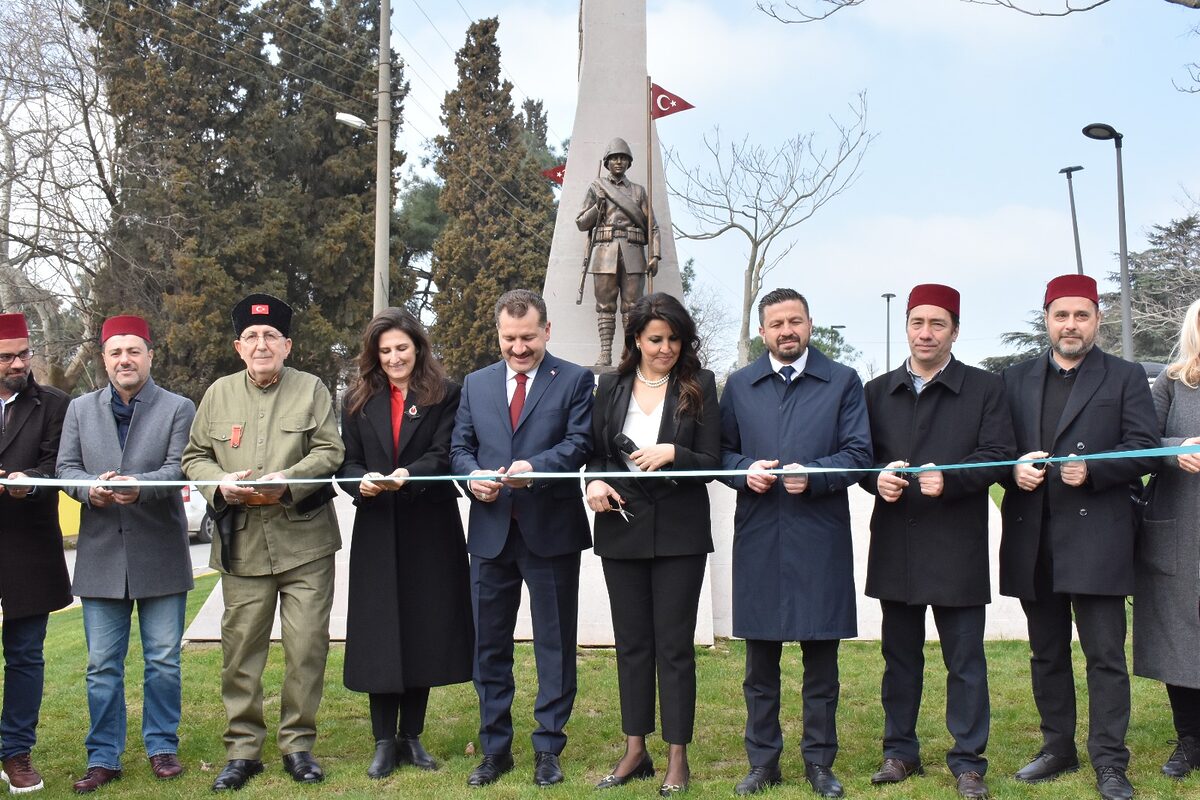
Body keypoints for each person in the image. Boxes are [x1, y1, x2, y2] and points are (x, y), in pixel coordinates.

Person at [1000, 273, 1159, 800]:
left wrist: (1093, 469)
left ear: (1098, 319)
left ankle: (1110, 761)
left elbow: (1144, 448)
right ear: (1047, 319)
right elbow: (996, 452)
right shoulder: (1014, 378)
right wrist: (1012, 472)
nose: (1071, 325)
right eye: (1061, 315)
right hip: (1033, 538)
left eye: (1082, 315)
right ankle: (1057, 748)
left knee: (1104, 656)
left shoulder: (1125, 376)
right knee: (1046, 652)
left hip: (1099, 538)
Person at [181, 293, 343, 791]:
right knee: (241, 651)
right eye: (251, 336)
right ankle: (243, 750)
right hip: (243, 544)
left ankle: (298, 745)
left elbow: (331, 449)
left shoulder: (312, 389)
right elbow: (194, 457)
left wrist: (287, 480)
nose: (261, 344)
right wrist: (217, 485)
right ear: (238, 346)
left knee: (306, 648)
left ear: (287, 344)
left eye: (271, 335)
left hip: (305, 543)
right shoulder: (217, 394)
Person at [861, 285, 1014, 800]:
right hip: (897, 545)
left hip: (957, 545)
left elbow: (998, 455)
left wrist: (954, 479)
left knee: (965, 661)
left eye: (937, 324)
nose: (925, 333)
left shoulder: (985, 388)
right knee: (899, 657)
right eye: (917, 322)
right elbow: (862, 459)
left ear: (954, 330)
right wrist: (874, 480)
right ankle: (898, 752)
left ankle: (969, 761)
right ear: (906, 326)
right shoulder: (877, 390)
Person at [719, 288, 872, 798]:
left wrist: (818, 474)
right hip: (761, 534)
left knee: (821, 662)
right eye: (776, 323)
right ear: (762, 331)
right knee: (759, 664)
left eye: (796, 321)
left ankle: (820, 761)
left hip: (818, 535)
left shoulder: (843, 381)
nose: (787, 331)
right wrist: (744, 472)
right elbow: (720, 452)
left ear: (810, 324)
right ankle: (763, 762)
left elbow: (858, 453)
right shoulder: (740, 386)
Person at [450, 289, 593, 788]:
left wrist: (536, 468)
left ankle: (548, 747)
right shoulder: (476, 383)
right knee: (489, 646)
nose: (518, 347)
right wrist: (472, 477)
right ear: (499, 335)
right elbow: (460, 447)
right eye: (509, 339)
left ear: (547, 331)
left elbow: (579, 444)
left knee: (554, 644)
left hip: (550, 532)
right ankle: (495, 749)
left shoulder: (575, 379)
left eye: (528, 337)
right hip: (490, 533)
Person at [584, 293, 720, 796]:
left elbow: (713, 460)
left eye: (674, 339)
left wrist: (674, 452)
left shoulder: (698, 385)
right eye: (656, 339)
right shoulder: (611, 385)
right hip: (621, 526)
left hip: (680, 532)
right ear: (637, 339)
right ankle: (635, 749)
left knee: (674, 648)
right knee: (632, 645)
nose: (665, 348)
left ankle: (677, 758)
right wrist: (592, 484)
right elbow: (595, 454)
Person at [56, 315, 197, 792]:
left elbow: (180, 467)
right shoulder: (79, 409)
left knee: (162, 660)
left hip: (159, 551)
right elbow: (67, 467)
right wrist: (87, 492)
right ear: (104, 359)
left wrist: (140, 487)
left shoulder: (178, 407)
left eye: (133, 350)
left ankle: (162, 747)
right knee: (101, 666)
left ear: (150, 355)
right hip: (99, 556)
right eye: (115, 352)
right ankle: (103, 756)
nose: (124, 360)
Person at [336, 308, 473, 779]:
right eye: (385, 350)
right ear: (374, 354)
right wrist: (362, 484)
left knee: (422, 628)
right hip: (377, 526)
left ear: (418, 347)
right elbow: (347, 462)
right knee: (380, 631)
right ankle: (381, 741)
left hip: (428, 524)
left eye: (402, 348)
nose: (395, 357)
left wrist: (407, 476)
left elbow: (444, 452)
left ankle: (411, 736)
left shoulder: (445, 394)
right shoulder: (355, 399)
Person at [0, 313, 71, 794]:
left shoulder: (54, 405)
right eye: (7, 357)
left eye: (24, 354)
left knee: (25, 656)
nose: (19, 363)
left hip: (28, 546)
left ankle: (16, 753)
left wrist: (34, 483)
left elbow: (57, 467)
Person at [1133, 296, 1200, 780]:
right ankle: (1189, 741)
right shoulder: (1174, 382)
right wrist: (1176, 449)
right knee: (1180, 637)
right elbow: (1137, 444)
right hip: (1182, 529)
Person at [575, 136, 661, 367]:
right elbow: (582, 223)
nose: (619, 162)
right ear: (607, 162)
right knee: (605, 306)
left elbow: (652, 225)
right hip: (604, 252)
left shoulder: (639, 192)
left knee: (633, 308)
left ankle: (629, 353)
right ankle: (605, 353)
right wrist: (597, 206)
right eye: (614, 158)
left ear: (629, 162)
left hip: (633, 251)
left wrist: (654, 255)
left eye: (623, 158)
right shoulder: (596, 188)